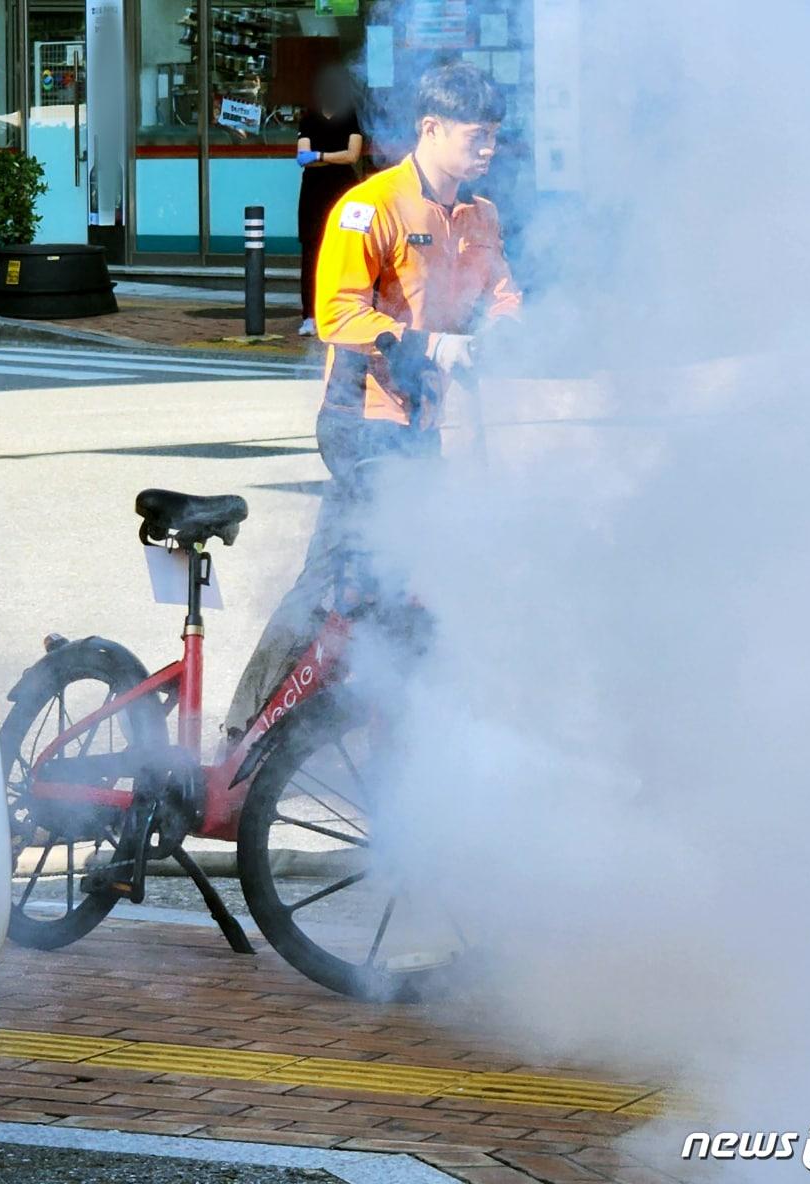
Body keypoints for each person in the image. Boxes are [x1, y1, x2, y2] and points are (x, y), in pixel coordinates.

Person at [225, 63, 521, 736]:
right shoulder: (371, 206)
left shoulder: (480, 215)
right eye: (478, 136)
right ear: (431, 128)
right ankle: (247, 729)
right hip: (362, 420)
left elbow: (503, 295)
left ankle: (388, 725)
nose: (489, 150)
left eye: (495, 137)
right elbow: (336, 313)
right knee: (342, 578)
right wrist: (428, 344)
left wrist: (502, 332)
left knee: (416, 570)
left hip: (421, 422)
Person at [296, 65, 363, 336]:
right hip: (313, 194)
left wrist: (320, 156)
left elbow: (353, 156)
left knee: (346, 250)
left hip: (343, 191)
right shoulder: (309, 119)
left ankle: (343, 311)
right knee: (311, 253)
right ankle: (309, 315)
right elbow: (303, 158)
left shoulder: (350, 118)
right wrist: (328, 157)